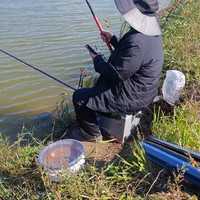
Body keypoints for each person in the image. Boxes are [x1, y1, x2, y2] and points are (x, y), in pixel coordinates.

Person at [71, 0, 164, 141]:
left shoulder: (136, 41)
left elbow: (115, 74)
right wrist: (113, 39)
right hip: (145, 92)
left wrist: (97, 59)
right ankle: (106, 117)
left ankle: (93, 136)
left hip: (135, 97)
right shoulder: (149, 35)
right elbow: (132, 57)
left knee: (79, 98)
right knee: (97, 84)